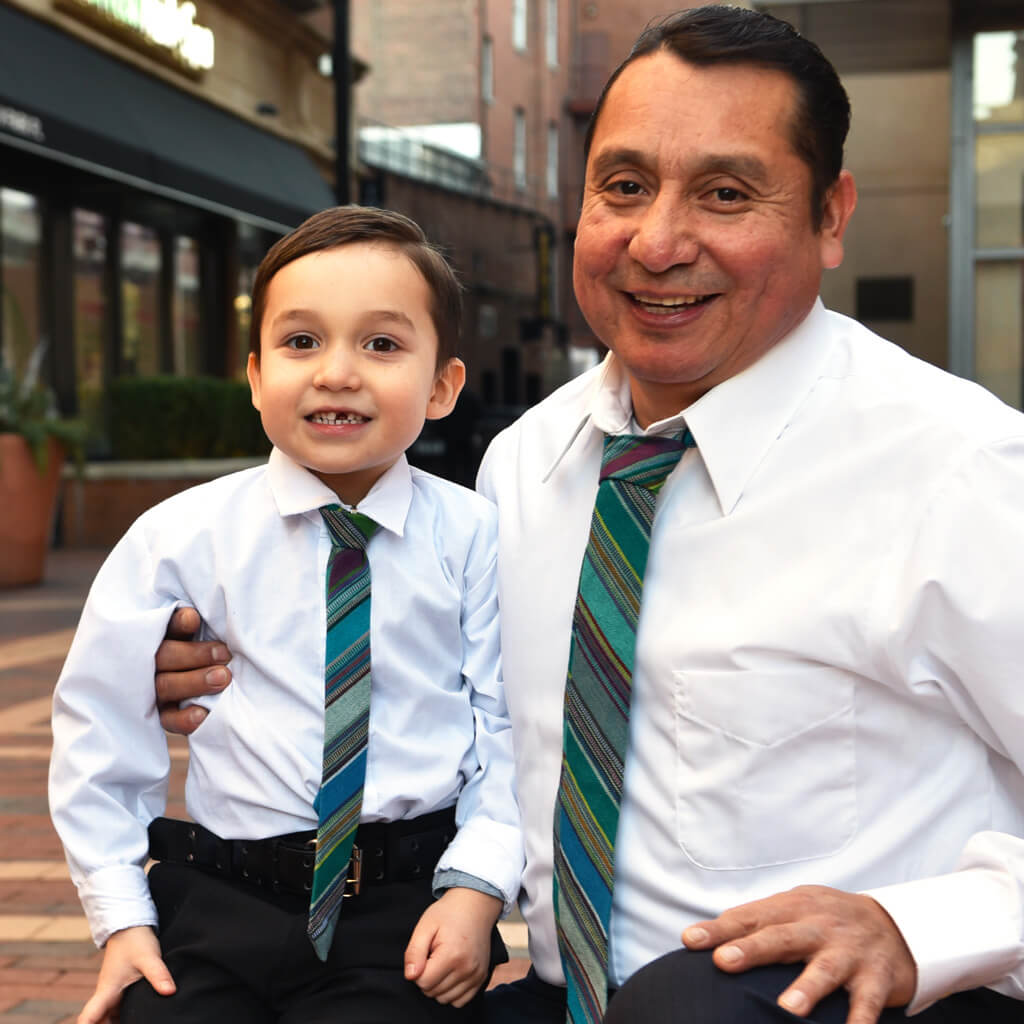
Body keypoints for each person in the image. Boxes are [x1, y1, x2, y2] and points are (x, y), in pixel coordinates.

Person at [150, 7, 1024, 1024]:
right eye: (624, 187)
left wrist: (915, 928)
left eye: (725, 194)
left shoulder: (958, 468)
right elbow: (439, 694)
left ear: (830, 217)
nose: (657, 242)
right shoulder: (526, 463)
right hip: (563, 996)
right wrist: (234, 651)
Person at [49, 206, 523, 1024]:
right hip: (221, 894)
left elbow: (510, 728)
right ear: (256, 375)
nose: (336, 372)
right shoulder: (180, 537)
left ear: (442, 386)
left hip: (401, 906)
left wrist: (476, 890)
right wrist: (122, 916)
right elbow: (101, 725)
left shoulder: (475, 538)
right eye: (301, 341)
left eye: (381, 344)